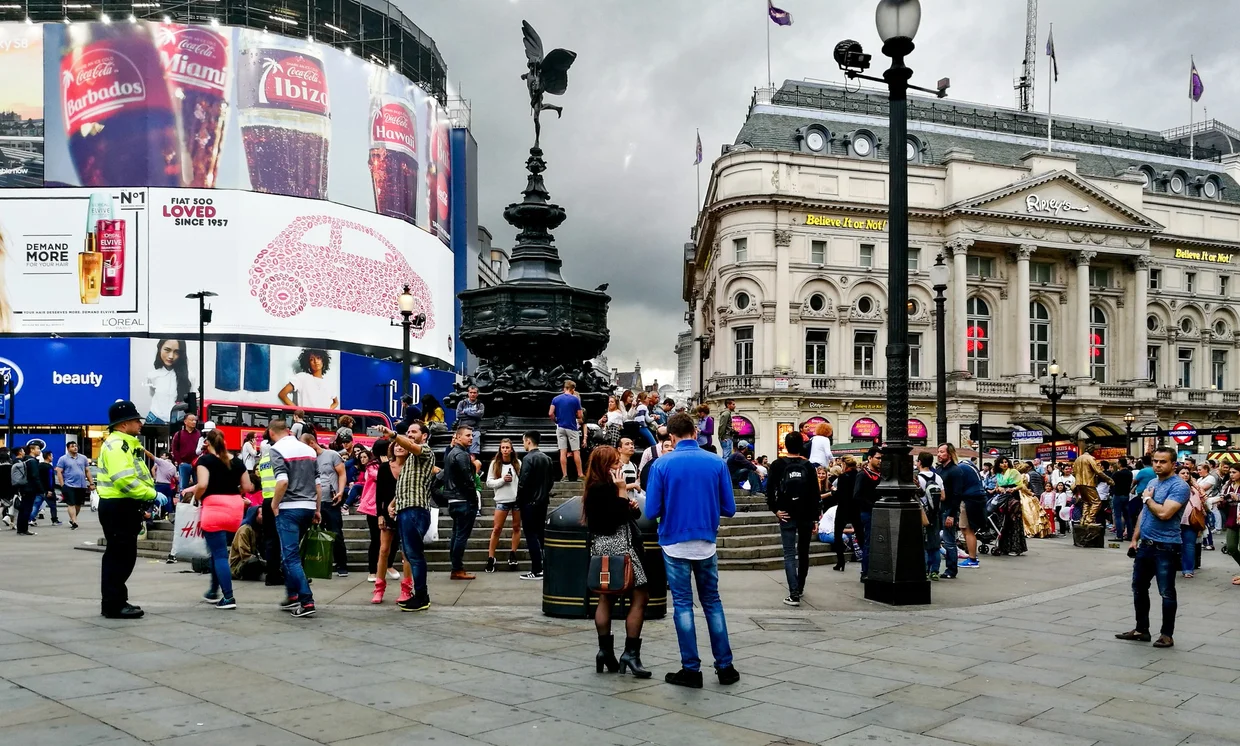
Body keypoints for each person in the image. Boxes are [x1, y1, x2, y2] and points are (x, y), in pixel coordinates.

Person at [645, 412, 740, 688]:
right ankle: (725, 667)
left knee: (683, 605)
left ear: (671, 436)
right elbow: (730, 509)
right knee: (712, 602)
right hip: (706, 541)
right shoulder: (716, 462)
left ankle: (691, 668)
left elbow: (651, 510)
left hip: (674, 541)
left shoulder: (662, 464)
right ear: (695, 432)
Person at [584, 445, 652, 678]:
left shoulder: (594, 488)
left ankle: (605, 652)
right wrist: (623, 492)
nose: (620, 465)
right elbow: (617, 519)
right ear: (605, 466)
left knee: (606, 596)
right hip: (621, 548)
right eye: (614, 462)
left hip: (602, 548)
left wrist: (627, 503)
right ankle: (630, 654)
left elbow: (628, 515)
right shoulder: (605, 488)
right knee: (640, 595)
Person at [1116, 447, 1189, 649]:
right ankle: (1141, 629)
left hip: (1166, 545)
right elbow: (1144, 514)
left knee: (1166, 591)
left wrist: (1148, 499)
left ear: (1173, 464)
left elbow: (1165, 513)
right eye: (1155, 461)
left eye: (1163, 461)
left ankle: (1166, 634)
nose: (1157, 464)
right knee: (1138, 588)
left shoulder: (1179, 486)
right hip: (1146, 545)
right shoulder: (1152, 482)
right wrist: (1134, 538)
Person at [97, 401, 157, 619]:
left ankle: (117, 600)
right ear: (123, 425)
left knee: (123, 555)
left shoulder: (127, 444)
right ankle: (113, 604)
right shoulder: (116, 446)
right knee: (119, 557)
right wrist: (152, 494)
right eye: (135, 420)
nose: (140, 424)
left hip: (123, 506)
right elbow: (125, 481)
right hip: (118, 506)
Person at [183, 429, 253, 610]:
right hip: (234, 509)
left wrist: (198, 496)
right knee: (217, 551)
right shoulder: (237, 462)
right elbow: (247, 486)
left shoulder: (204, 460)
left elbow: (203, 484)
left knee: (220, 554)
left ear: (207, 443)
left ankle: (228, 597)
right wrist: (233, 493)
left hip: (213, 508)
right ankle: (213, 591)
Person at [269, 418, 322, 618]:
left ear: (272, 433)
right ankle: (292, 595)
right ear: (289, 430)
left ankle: (306, 600)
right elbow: (318, 485)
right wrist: (317, 509)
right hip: (308, 508)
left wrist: (274, 504)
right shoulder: (309, 450)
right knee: (290, 555)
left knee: (290, 557)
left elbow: (282, 481)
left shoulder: (277, 450)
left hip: (289, 509)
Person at [382, 422, 437, 611]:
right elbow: (405, 487)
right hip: (406, 509)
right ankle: (420, 595)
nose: (410, 434)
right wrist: (392, 505)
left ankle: (422, 596)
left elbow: (412, 447)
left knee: (414, 555)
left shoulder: (426, 451)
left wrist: (394, 435)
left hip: (415, 510)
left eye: (414, 432)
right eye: (408, 432)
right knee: (411, 554)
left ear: (424, 436)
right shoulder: (409, 462)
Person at [765, 432, 821, 606]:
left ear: (785, 446)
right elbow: (815, 494)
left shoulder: (777, 464)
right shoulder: (808, 466)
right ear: (801, 446)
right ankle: (801, 587)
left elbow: (769, 491)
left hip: (786, 514)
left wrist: (776, 510)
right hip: (805, 515)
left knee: (789, 554)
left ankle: (793, 593)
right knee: (804, 553)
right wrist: (815, 517)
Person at [302, 429, 349, 577]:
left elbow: (342, 474)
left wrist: (341, 491)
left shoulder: (332, 455)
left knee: (336, 533)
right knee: (315, 534)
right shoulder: (307, 459)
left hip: (331, 501)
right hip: (314, 502)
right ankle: (319, 563)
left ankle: (342, 565)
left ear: (312, 443)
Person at [938, 442, 987, 576]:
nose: (939, 454)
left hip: (968, 500)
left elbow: (956, 492)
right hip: (976, 498)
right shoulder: (966, 466)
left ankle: (972, 559)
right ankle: (971, 558)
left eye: (942, 451)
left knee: (967, 530)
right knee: (966, 530)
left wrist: (952, 513)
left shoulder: (957, 469)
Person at [516, 430, 555, 581]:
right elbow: (551, 480)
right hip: (542, 501)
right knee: (541, 535)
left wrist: (520, 500)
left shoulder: (528, 459)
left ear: (528, 441)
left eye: (524, 441)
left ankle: (536, 569)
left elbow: (523, 482)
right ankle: (546, 567)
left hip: (529, 503)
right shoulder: (546, 458)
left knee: (531, 535)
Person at [359, 443, 398, 586]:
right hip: (373, 506)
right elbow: (378, 477)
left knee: (395, 539)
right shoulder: (373, 466)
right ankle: (372, 570)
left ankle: (388, 565)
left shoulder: (393, 464)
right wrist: (386, 464)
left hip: (391, 506)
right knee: (376, 539)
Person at [443, 426, 479, 579]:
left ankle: (455, 567)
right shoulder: (462, 454)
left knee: (456, 534)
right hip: (464, 500)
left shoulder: (451, 453)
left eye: (471, 435)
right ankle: (457, 568)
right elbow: (468, 479)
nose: (471, 438)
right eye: (468, 435)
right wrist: (473, 499)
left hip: (454, 499)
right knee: (461, 536)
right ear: (458, 437)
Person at [485, 438, 523, 573]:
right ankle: (491, 557)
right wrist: (502, 480)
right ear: (500, 449)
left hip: (516, 499)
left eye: (507, 447)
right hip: (502, 499)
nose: (505, 450)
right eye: (503, 448)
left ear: (511, 449)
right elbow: (489, 482)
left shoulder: (517, 463)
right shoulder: (495, 464)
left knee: (516, 527)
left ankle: (513, 553)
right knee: (497, 528)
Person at [144, 339, 192, 424]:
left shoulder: (189, 377)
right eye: (167, 350)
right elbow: (152, 394)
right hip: (155, 419)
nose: (171, 356)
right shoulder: (152, 375)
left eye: (176, 352)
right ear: (160, 348)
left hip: (178, 422)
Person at [853, 446, 882, 581]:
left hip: (878, 512)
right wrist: (872, 506)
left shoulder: (881, 475)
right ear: (870, 458)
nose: (881, 461)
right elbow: (857, 496)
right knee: (869, 543)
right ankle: (865, 571)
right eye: (878, 458)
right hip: (867, 513)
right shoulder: (863, 475)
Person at [550, 380, 585, 481]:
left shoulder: (555, 399)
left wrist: (556, 420)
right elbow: (580, 415)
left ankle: (564, 475)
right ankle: (580, 474)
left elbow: (550, 413)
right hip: (572, 427)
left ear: (564, 388)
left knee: (563, 452)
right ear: (573, 389)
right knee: (576, 451)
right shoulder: (575, 400)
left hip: (560, 427)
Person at [917, 452, 945, 579]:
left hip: (922, 513)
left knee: (922, 542)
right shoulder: (938, 477)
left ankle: (924, 569)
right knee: (934, 542)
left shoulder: (917, 478)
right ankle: (935, 570)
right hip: (935, 513)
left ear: (920, 462)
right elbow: (943, 496)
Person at [831, 455, 860, 571]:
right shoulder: (858, 475)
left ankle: (840, 561)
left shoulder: (843, 477)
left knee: (837, 534)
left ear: (845, 464)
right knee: (860, 534)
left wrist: (834, 492)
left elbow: (841, 495)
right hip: (855, 508)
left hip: (843, 508)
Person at [56, 441, 93, 531]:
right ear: (68, 448)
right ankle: (75, 522)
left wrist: (91, 483)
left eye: (76, 446)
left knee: (78, 504)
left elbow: (87, 471)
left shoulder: (83, 458)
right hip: (69, 485)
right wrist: (62, 485)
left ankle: (72, 518)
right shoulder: (63, 459)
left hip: (81, 485)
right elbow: (59, 472)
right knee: (71, 503)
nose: (75, 448)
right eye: (72, 446)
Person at [1177, 466, 1205, 578]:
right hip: (1175, 520)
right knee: (1172, 545)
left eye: (1187, 473)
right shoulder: (1174, 487)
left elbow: (1202, 499)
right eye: (1182, 473)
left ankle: (1188, 569)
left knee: (1189, 545)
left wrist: (1195, 484)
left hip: (1191, 520)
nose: (1185, 475)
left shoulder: (1194, 489)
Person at [14, 441, 42, 536]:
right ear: (32, 450)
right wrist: (41, 489)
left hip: (24, 487)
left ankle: (21, 529)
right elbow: (35, 476)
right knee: (27, 509)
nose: (39, 451)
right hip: (30, 488)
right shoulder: (32, 461)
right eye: (38, 449)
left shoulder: (25, 460)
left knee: (23, 509)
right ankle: (23, 529)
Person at [1219, 467, 1240, 584]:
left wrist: (1238, 498)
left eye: (1234, 472)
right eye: (1230, 472)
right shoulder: (1228, 485)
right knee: (1231, 547)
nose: (1231, 474)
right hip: (1232, 519)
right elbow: (1223, 501)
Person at [171, 414, 202, 491]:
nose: (194, 422)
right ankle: (183, 502)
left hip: (197, 464)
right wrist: (180, 462)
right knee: (183, 487)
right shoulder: (179, 434)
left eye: (195, 420)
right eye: (191, 420)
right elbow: (175, 449)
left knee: (198, 485)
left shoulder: (199, 434)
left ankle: (196, 502)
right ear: (185, 422)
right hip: (184, 464)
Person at [455, 387, 485, 459]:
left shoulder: (480, 405)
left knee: (476, 436)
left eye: (474, 393)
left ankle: (472, 457)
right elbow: (458, 415)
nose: (472, 394)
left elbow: (479, 415)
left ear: (477, 394)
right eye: (471, 392)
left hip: (474, 428)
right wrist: (473, 414)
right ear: (468, 393)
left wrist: (466, 412)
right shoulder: (462, 403)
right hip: (462, 428)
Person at [29, 450, 57, 527]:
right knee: (53, 506)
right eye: (51, 456)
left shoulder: (39, 466)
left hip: (39, 489)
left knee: (36, 505)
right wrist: (50, 490)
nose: (52, 457)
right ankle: (54, 520)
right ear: (48, 457)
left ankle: (30, 519)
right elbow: (50, 480)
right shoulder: (49, 467)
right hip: (48, 490)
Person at [1112, 457, 1134, 541]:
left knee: (1117, 515)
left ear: (1120, 464)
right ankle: (1129, 535)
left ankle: (1119, 535)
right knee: (1127, 516)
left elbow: (1111, 482)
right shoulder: (1129, 473)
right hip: (1126, 495)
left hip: (1117, 495)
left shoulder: (1117, 474)